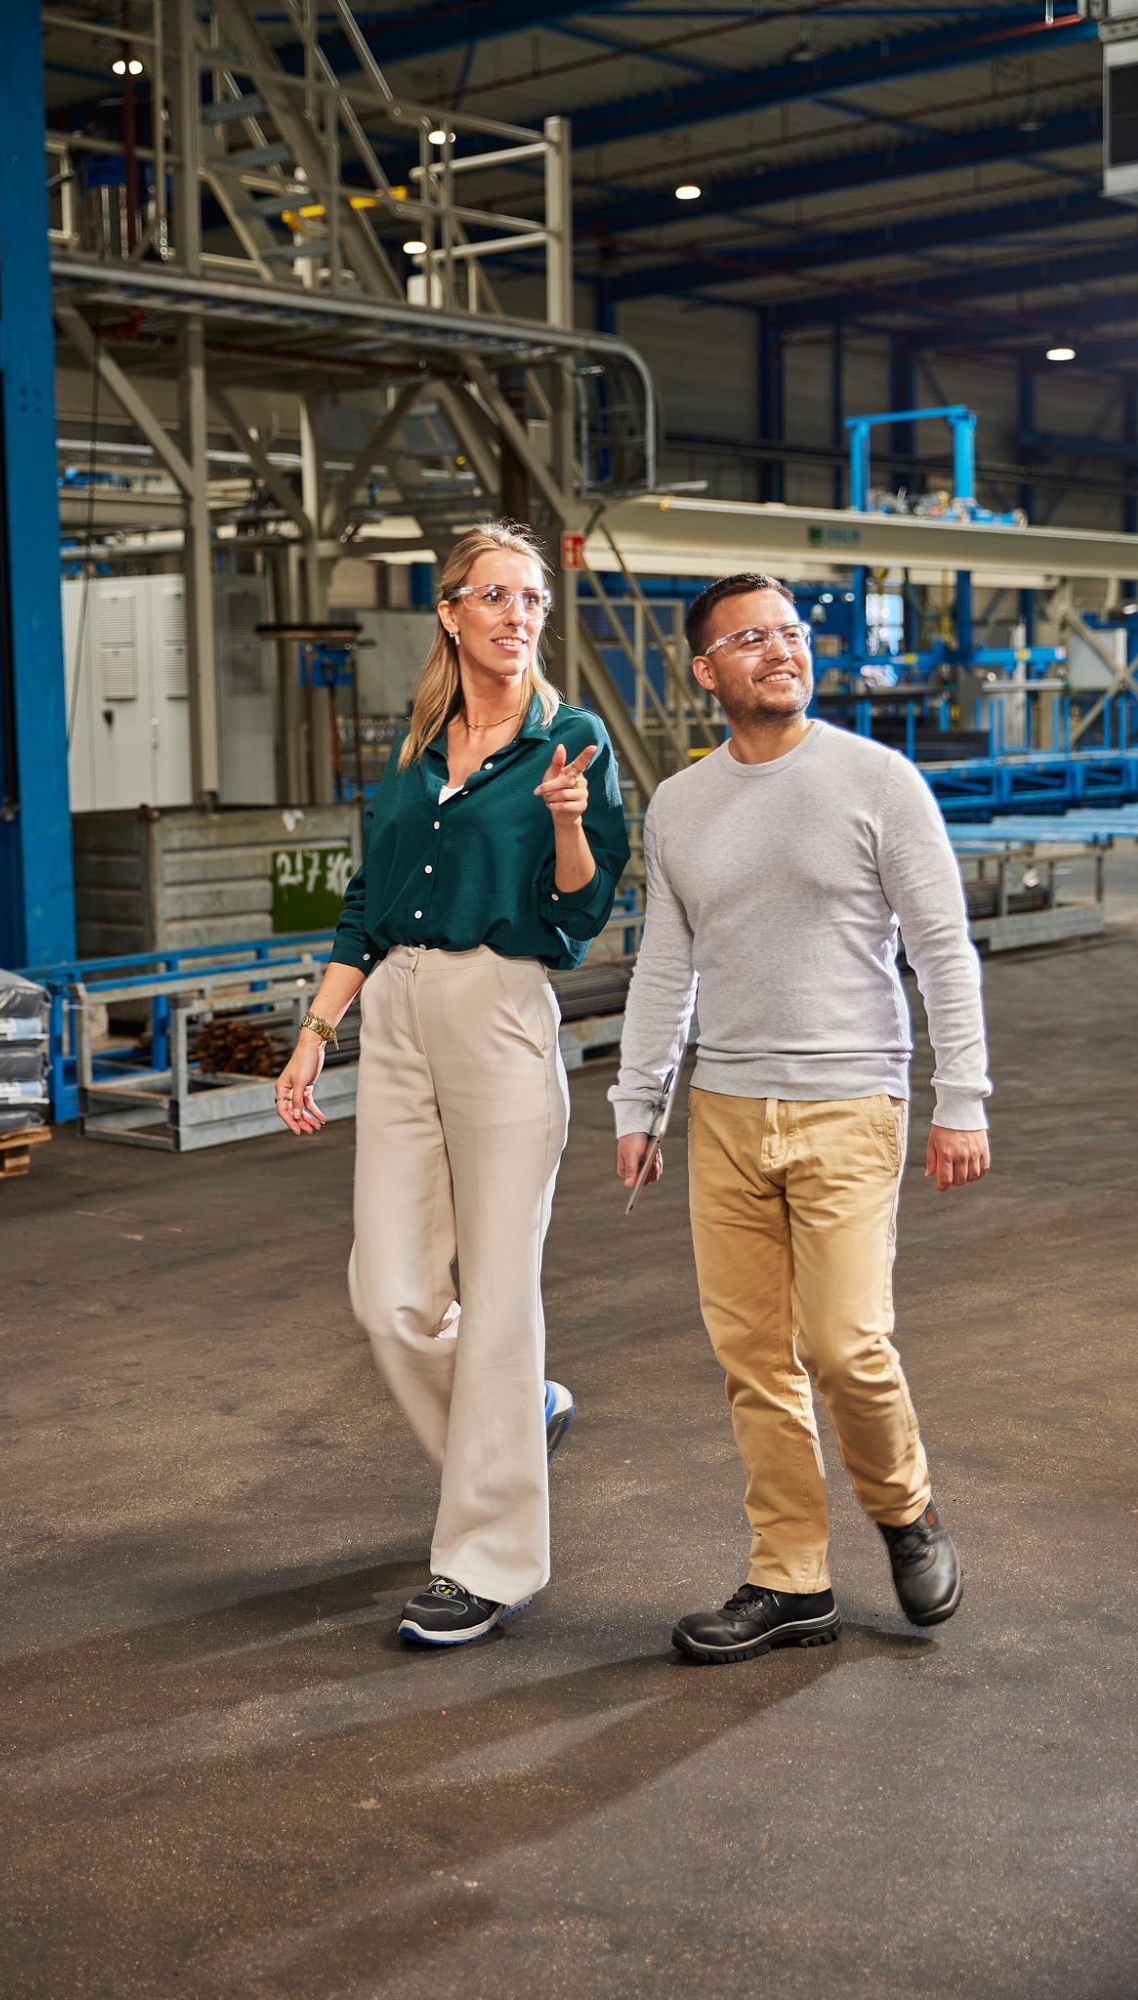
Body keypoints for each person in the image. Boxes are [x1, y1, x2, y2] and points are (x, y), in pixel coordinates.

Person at [611, 572, 990, 1665]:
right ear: (705, 669)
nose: (779, 650)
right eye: (750, 638)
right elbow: (663, 961)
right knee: (751, 1356)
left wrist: (957, 1097)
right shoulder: (678, 803)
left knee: (842, 1341)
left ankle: (905, 1507)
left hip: (847, 1103)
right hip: (724, 1109)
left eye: (788, 632)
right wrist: (640, 1098)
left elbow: (939, 951)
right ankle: (789, 1576)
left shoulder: (876, 780)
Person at [276, 521, 630, 1648]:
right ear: (450, 611)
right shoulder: (420, 746)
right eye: (495, 595)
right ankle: (516, 1420)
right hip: (393, 1012)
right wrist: (314, 1027)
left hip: (497, 1008)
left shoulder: (566, 739)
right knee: (389, 1294)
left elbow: (580, 908)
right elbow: (363, 903)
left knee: (500, 1293)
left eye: (531, 597)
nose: (517, 613)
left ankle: (488, 1558)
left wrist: (570, 831)